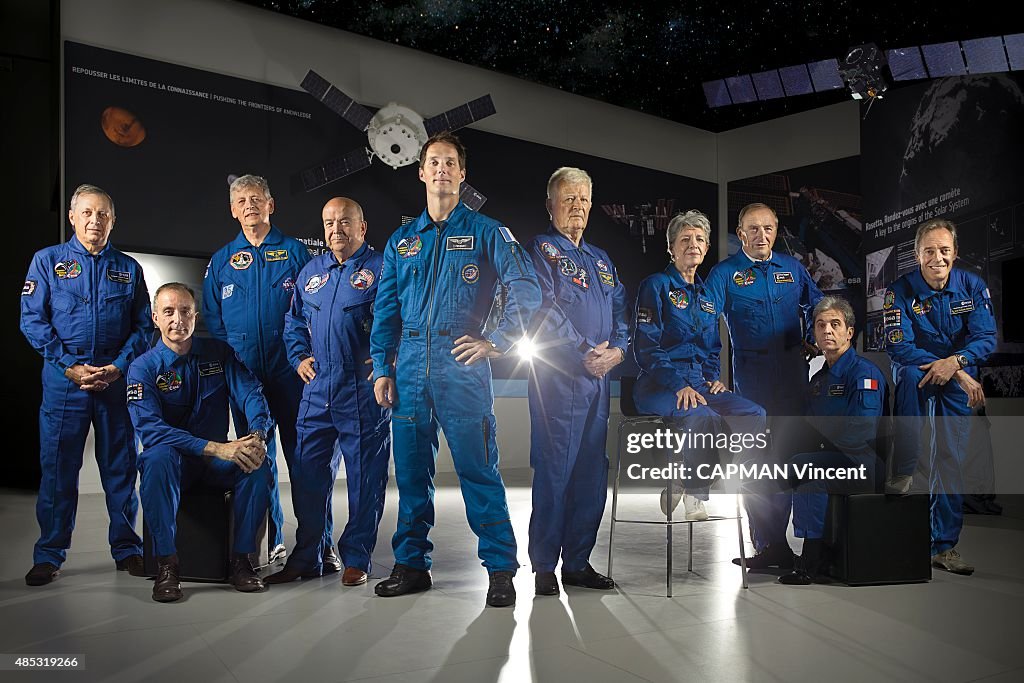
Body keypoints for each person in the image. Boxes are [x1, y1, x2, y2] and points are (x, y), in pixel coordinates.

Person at [370, 131, 541, 607]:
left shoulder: (488, 232)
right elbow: (385, 311)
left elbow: (526, 288)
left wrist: (498, 340)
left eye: (450, 162)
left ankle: (501, 569)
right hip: (408, 368)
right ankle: (410, 565)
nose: (442, 169)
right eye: (434, 162)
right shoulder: (402, 242)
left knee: (478, 470)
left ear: (463, 175)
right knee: (410, 476)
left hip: (461, 366)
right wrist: (383, 366)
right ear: (420, 172)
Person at [20, 184, 152, 586]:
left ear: (113, 221)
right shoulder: (47, 262)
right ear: (73, 218)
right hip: (65, 383)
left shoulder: (129, 268)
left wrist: (118, 367)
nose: (96, 221)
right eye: (88, 213)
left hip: (114, 380)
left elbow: (144, 327)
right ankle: (49, 553)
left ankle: (127, 549)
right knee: (58, 470)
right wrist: (69, 365)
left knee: (120, 468)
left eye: (104, 214)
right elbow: (32, 320)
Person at [266, 198, 390, 587]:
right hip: (317, 390)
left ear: (362, 227)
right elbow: (294, 321)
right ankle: (309, 556)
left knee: (364, 479)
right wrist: (299, 356)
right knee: (306, 475)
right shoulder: (311, 272)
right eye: (329, 223)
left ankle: (357, 556)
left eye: (345, 222)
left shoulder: (383, 269)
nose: (336, 229)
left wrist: (390, 361)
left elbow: (402, 318)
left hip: (361, 388)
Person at [127, 283, 272, 602]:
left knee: (259, 466)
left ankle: (242, 562)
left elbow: (250, 393)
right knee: (155, 458)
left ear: (195, 315)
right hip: (174, 464)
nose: (177, 319)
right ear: (155, 318)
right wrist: (219, 447)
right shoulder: (142, 368)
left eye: (184, 311)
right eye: (168, 312)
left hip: (212, 466)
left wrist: (257, 434)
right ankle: (167, 565)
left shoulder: (218, 353)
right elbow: (151, 430)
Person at [202, 175, 318, 567]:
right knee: (256, 456)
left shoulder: (295, 253)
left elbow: (311, 311)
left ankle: (318, 543)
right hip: (245, 378)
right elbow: (214, 322)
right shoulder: (221, 262)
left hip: (291, 374)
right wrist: (233, 369)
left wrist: (302, 355)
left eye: (256, 198)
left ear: (271, 205)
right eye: (241, 200)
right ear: (233, 210)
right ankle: (274, 541)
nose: (249, 205)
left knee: (305, 459)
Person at [525, 167, 629, 597]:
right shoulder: (541, 250)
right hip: (560, 378)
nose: (577, 208)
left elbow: (623, 310)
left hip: (600, 380)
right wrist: (584, 351)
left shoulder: (601, 260)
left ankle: (579, 562)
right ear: (550, 205)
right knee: (555, 470)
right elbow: (542, 309)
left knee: (591, 472)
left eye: (584, 200)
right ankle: (545, 565)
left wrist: (619, 351)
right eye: (568, 199)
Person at [705, 202, 824, 570]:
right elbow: (703, 322)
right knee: (756, 464)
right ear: (740, 234)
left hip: (792, 380)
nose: (761, 236)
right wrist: (710, 373)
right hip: (750, 384)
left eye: (768, 228)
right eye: (753, 229)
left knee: (788, 460)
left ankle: (790, 541)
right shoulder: (724, 274)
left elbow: (819, 306)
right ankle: (768, 545)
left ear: (776, 231)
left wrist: (813, 338)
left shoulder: (792, 268)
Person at [633, 210, 767, 520]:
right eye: (684, 239)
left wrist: (712, 378)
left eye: (699, 239)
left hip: (698, 385)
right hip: (658, 385)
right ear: (671, 247)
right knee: (703, 416)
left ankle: (709, 476)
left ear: (706, 248)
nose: (693, 244)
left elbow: (712, 348)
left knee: (754, 414)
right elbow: (646, 347)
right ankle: (696, 494)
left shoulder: (707, 296)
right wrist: (678, 384)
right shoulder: (655, 286)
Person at [884, 218, 995, 575]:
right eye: (929, 251)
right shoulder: (898, 290)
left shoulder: (972, 286)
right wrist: (957, 369)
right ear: (917, 255)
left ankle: (943, 547)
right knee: (912, 454)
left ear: (955, 253)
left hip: (955, 379)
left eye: (944, 251)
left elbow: (986, 338)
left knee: (950, 458)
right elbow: (900, 345)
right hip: (916, 370)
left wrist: (957, 363)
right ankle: (898, 538)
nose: (937, 258)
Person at [778, 297, 886, 585]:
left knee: (805, 467)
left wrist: (817, 448)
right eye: (821, 325)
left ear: (849, 332)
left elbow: (861, 431)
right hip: (834, 459)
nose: (827, 330)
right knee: (781, 463)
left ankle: (810, 560)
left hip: (861, 464)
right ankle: (783, 548)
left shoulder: (863, 374)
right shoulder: (819, 380)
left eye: (835, 324)